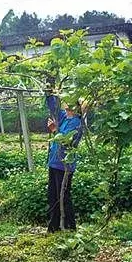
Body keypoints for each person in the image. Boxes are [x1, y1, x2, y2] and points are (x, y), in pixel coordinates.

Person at [46, 95, 86, 232]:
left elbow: (66, 142)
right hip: (54, 162)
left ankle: (69, 227)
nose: (65, 104)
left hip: (64, 164)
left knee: (62, 197)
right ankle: (54, 227)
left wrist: (54, 130)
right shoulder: (64, 117)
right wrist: (49, 92)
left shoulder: (77, 123)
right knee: (52, 195)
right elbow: (54, 107)